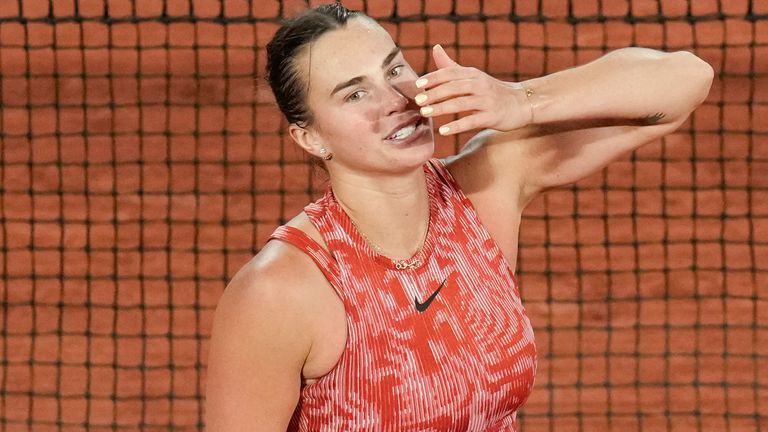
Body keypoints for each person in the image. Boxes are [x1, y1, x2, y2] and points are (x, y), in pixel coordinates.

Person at [204, 3, 713, 431]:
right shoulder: (281, 290)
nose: (396, 102)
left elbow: (687, 79)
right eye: (355, 93)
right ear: (309, 137)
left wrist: (522, 101)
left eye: (394, 69)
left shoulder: (486, 184)